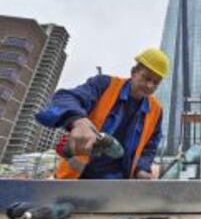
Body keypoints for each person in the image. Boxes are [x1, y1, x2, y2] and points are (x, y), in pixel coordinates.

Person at [36, 48, 169, 180]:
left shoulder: (156, 110)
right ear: (133, 72)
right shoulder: (104, 85)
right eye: (146, 78)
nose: (150, 86)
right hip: (76, 177)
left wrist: (141, 169)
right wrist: (79, 121)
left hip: (117, 182)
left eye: (155, 82)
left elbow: (150, 146)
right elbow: (64, 98)